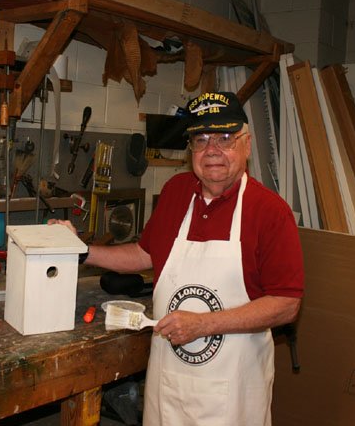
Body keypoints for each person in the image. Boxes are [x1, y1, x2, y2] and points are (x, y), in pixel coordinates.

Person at [50, 91, 304, 426]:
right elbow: (145, 254)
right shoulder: (176, 192)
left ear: (247, 145)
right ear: (191, 150)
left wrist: (204, 324)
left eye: (225, 138)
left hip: (232, 393)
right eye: (201, 140)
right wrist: (82, 251)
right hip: (168, 383)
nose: (212, 150)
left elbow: (286, 303)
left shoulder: (270, 211)